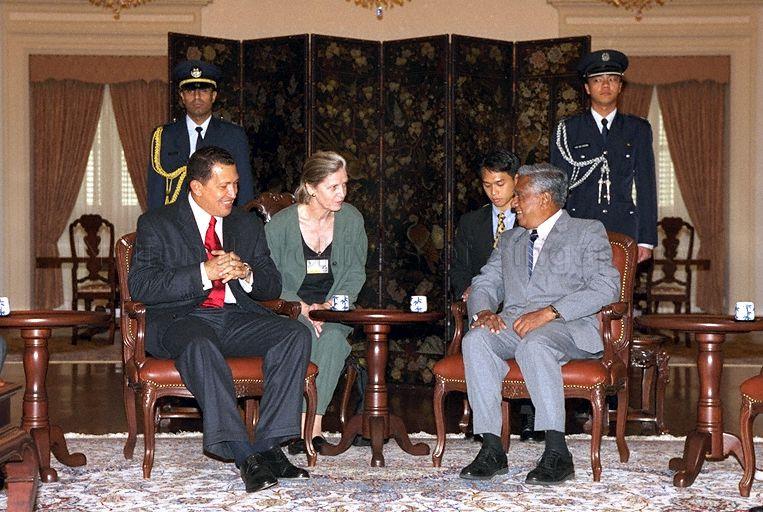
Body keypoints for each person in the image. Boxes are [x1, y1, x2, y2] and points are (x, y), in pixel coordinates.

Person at [129, 145, 311, 493]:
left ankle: (268, 446)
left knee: (293, 334)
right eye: (223, 186)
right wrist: (204, 272)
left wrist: (246, 273)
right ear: (197, 187)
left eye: (236, 184)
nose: (233, 193)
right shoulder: (157, 223)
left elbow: (271, 284)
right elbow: (142, 285)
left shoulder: (246, 223)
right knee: (200, 344)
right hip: (182, 319)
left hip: (236, 317)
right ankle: (244, 454)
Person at [459, 163, 620, 485]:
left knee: (536, 342)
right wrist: (483, 312)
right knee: (475, 339)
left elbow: (606, 286)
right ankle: (491, 447)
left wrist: (550, 312)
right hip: (514, 325)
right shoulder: (510, 240)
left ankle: (557, 452)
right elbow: (486, 282)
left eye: (519, 195)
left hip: (568, 325)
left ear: (544, 198)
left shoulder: (586, 231)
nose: (513, 203)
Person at [265, 151, 368, 454]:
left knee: (333, 339)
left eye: (344, 185)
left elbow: (355, 273)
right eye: (333, 187)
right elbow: (270, 281)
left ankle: (311, 426)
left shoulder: (351, 220)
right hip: (291, 309)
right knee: (305, 334)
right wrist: (304, 309)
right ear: (310, 187)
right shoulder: (279, 227)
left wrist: (330, 307)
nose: (341, 193)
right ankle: (302, 426)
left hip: (335, 310)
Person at [452, 149, 541, 443]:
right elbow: (459, 268)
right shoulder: (470, 222)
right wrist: (472, 293)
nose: (494, 192)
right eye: (487, 185)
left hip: (522, 305)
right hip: (484, 301)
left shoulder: (532, 217)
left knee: (532, 334)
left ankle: (531, 417)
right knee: (476, 334)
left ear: (517, 180)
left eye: (500, 184)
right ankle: (483, 418)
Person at [550, 49, 657, 263]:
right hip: (577, 227)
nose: (605, 85)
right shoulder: (568, 130)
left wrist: (646, 239)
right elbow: (556, 188)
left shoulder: (637, 129)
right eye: (598, 80)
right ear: (587, 88)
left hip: (623, 229)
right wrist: (555, 234)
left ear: (620, 86)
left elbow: (646, 185)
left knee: (619, 285)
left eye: (612, 79)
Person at [147, 60, 255, 210]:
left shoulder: (233, 135)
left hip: (219, 218)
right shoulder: (164, 136)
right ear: (182, 96)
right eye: (190, 91)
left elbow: (244, 188)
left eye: (204, 91)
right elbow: (156, 190)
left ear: (213, 96)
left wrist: (242, 222)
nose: (197, 97)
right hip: (176, 219)